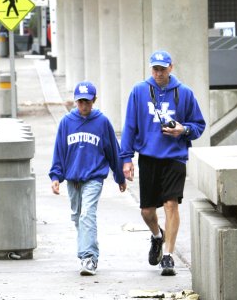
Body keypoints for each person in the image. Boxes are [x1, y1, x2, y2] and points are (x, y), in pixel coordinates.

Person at [120, 50, 206, 276]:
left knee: (171, 205)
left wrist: (183, 130)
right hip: (148, 157)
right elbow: (130, 126)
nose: (158, 73)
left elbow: (198, 125)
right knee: (147, 212)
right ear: (151, 69)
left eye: (162, 68)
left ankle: (168, 256)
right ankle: (158, 236)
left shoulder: (184, 93)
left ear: (171, 68)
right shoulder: (139, 91)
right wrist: (126, 158)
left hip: (174, 157)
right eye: (155, 68)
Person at [49, 81, 126, 276]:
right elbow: (60, 150)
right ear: (75, 102)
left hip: (94, 177)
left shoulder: (102, 122)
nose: (84, 106)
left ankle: (88, 257)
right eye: (80, 102)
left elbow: (112, 151)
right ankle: (90, 248)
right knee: (78, 218)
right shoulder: (67, 122)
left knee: (87, 215)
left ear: (94, 100)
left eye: (88, 102)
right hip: (73, 179)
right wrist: (56, 176)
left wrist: (119, 176)